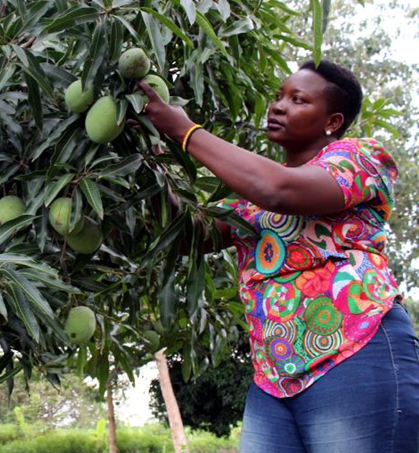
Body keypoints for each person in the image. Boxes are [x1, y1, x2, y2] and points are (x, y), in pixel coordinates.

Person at [138, 60, 419, 453]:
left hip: (354, 354)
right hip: (274, 378)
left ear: (332, 121)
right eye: (279, 96)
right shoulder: (252, 205)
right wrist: (143, 161)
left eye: (298, 99)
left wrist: (185, 131)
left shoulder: (361, 159)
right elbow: (190, 235)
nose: (278, 106)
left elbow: (281, 190)